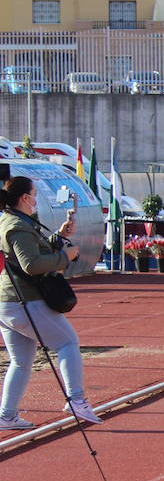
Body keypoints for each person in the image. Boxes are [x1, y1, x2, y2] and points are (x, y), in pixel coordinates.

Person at [0, 176, 101, 429]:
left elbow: (31, 252)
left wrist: (58, 237)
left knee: (22, 360)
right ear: (24, 198)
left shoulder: (14, 221)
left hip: (8, 300)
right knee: (67, 342)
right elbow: (31, 264)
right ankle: (77, 400)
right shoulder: (17, 226)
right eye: (34, 194)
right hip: (25, 299)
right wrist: (64, 256)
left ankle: (7, 415)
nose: (36, 199)